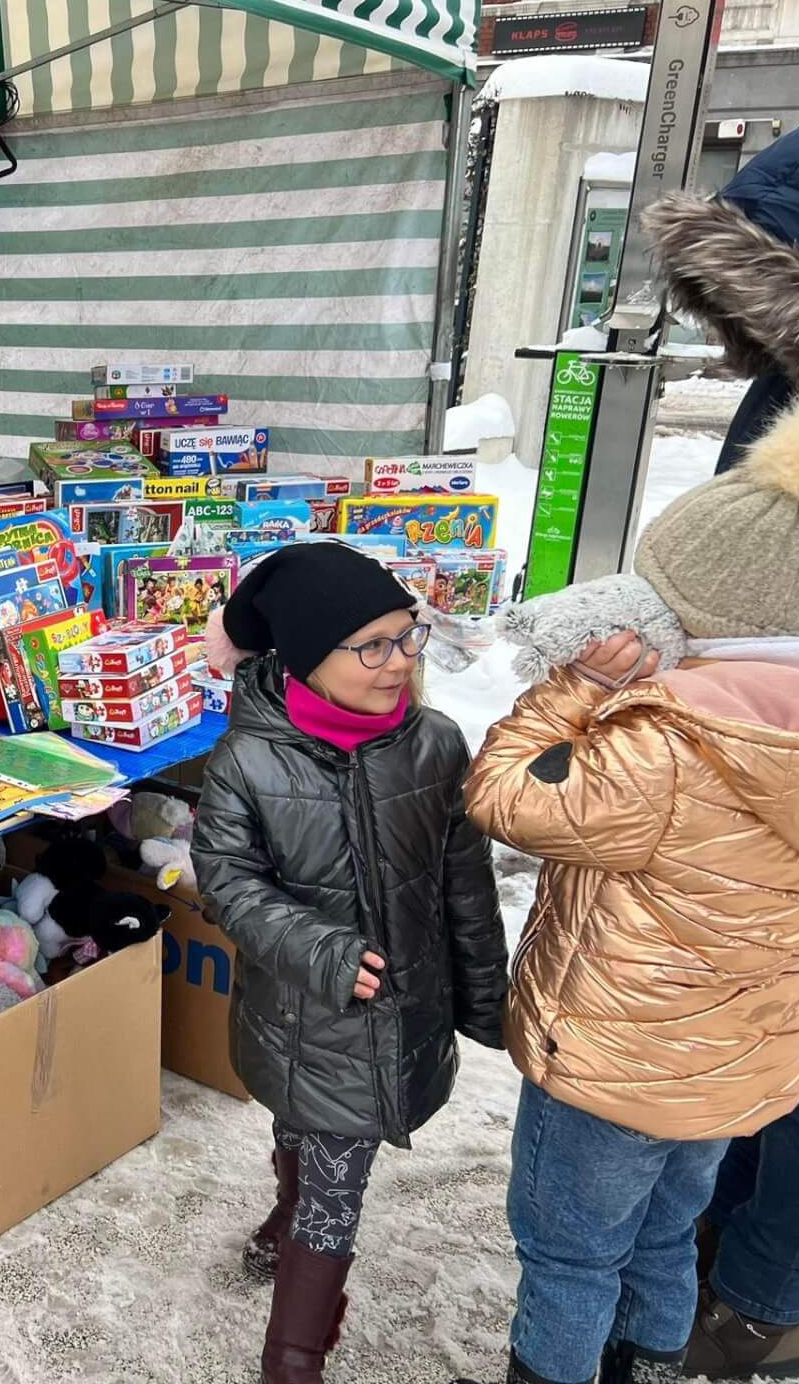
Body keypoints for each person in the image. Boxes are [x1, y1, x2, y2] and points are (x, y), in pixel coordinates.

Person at [461, 388, 799, 1384]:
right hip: (732, 1065)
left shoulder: (667, 742)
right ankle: (651, 1369)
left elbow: (506, 795)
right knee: (664, 1238)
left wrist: (580, 689)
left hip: (615, 1064)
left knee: (571, 1257)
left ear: (696, 600)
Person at [645, 101, 799, 1382]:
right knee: (757, 995)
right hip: (765, 735)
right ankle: (713, 1245)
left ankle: (762, 1305)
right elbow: (749, 550)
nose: (745, 348)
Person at [190, 542, 507, 1384]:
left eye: (409, 637)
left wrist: (484, 996)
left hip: (401, 1011)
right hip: (303, 1009)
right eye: (371, 646)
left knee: (332, 1178)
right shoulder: (247, 759)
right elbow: (227, 883)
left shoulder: (435, 743)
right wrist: (317, 948)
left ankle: (288, 1227)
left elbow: (462, 880)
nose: (398, 661)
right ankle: (292, 1359)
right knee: (314, 1152)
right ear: (303, 658)